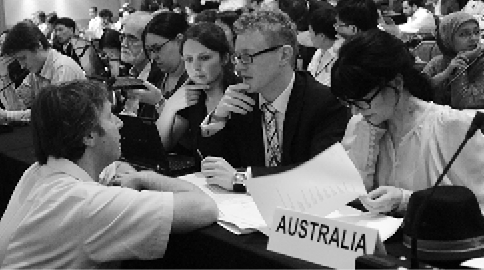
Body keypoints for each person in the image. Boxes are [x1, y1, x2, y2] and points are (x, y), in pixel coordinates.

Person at [0, 80, 217, 268]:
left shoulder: (39, 171)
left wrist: (115, 169)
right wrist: (146, 177)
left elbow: (107, 171)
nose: (120, 123)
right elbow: (204, 207)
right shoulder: (85, 203)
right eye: (110, 117)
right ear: (89, 135)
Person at [332, 29, 484, 214]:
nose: (356, 110)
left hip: (434, 241)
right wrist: (368, 136)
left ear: (396, 83)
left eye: (362, 101)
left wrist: (407, 201)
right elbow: (350, 194)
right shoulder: (362, 124)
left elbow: (476, 207)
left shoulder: (452, 127)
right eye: (350, 103)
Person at [199, 10, 350, 191]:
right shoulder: (241, 99)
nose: (238, 67)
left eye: (247, 57)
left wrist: (243, 179)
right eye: (237, 57)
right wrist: (217, 120)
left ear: (284, 55)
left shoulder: (325, 103)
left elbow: (319, 174)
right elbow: (215, 169)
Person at [156, 22, 239, 160]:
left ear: (224, 58)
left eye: (204, 58)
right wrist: (169, 107)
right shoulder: (193, 94)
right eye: (189, 59)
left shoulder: (238, 94)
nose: (195, 67)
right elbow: (161, 147)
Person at [0, 21, 85, 121]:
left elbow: (52, 115)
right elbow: (17, 109)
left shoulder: (63, 68)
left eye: (23, 58)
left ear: (38, 46)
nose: (22, 66)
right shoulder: (35, 73)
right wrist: (4, 76)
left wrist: (6, 115)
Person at [423, 12, 484, 109]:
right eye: (464, 34)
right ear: (447, 38)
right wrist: (445, 74)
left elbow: (462, 103)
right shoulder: (437, 62)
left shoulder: (481, 63)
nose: (474, 39)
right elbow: (418, 90)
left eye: (476, 32)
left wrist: (460, 64)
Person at [119, 11, 164, 118]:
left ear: (149, 44)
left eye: (132, 38)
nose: (124, 44)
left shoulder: (161, 78)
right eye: (122, 37)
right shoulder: (131, 72)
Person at [143, 11, 190, 100]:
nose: (153, 56)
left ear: (179, 41)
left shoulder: (196, 80)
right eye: (149, 50)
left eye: (157, 48)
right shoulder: (156, 74)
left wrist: (159, 102)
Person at [307, 5, 343, 86]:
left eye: (310, 32)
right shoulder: (320, 50)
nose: (309, 36)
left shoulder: (340, 58)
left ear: (321, 36)